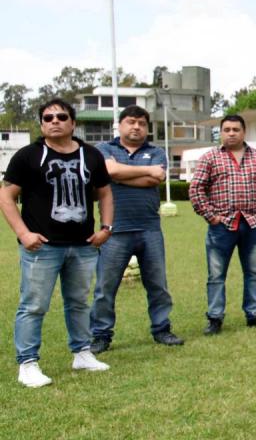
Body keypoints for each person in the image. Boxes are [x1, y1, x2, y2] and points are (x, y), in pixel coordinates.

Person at [0, 99, 114, 387]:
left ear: (73, 123)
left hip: (83, 245)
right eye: (48, 118)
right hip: (42, 247)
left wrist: (106, 228)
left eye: (61, 116)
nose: (54, 121)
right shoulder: (28, 156)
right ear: (41, 125)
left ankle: (82, 353)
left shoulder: (91, 155)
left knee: (79, 302)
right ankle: (27, 363)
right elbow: (6, 196)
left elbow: (104, 193)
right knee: (34, 305)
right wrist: (23, 233)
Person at [89, 105, 183, 354]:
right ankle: (101, 335)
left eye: (141, 123)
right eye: (131, 122)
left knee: (158, 285)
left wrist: (120, 174)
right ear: (120, 125)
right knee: (105, 288)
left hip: (150, 230)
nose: (136, 127)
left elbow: (155, 179)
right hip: (114, 230)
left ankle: (162, 329)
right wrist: (144, 170)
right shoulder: (104, 149)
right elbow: (109, 170)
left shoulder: (156, 151)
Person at [189, 114, 256, 334]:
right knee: (216, 274)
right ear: (220, 132)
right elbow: (196, 189)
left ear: (243, 132)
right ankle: (215, 317)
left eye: (236, 129)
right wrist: (211, 216)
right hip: (221, 226)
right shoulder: (210, 157)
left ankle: (254, 313)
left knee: (254, 271)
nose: (231, 133)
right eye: (227, 129)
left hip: (252, 224)